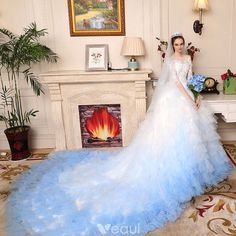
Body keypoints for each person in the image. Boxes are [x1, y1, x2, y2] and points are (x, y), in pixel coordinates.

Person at [6, 33, 234, 236]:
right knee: (170, 139)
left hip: (189, 99)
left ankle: (192, 170)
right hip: (175, 100)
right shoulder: (172, 60)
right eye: (176, 44)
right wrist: (188, 98)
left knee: (194, 138)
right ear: (172, 46)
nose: (180, 47)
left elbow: (191, 78)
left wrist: (197, 95)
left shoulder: (186, 59)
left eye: (182, 43)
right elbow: (176, 82)